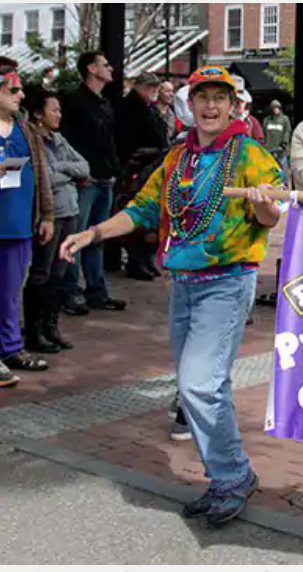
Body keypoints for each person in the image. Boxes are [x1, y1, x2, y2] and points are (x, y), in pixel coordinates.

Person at [60, 65, 283, 527]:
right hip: (183, 285)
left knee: (198, 384)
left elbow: (269, 217)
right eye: (203, 97)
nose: (211, 106)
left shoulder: (250, 155)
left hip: (225, 281)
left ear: (233, 104)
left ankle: (231, 476)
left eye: (220, 98)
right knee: (201, 386)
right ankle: (228, 474)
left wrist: (263, 200)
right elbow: (142, 209)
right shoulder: (177, 158)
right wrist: (93, 233)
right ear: (191, 103)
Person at [22, 86, 90, 356]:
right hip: (51, 214)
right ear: (39, 114)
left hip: (70, 210)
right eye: (54, 110)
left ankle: (51, 327)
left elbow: (84, 167)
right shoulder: (32, 140)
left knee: (60, 274)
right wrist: (67, 173)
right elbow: (42, 177)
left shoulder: (59, 140)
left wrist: (61, 170)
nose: (59, 114)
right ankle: (34, 330)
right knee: (42, 272)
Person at [59, 51, 126, 314]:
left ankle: (97, 291)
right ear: (91, 69)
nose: (110, 68)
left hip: (105, 177)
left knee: (97, 238)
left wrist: (114, 168)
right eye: (105, 65)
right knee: (76, 237)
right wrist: (78, 173)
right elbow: (65, 141)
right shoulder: (74, 102)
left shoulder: (104, 102)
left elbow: (108, 140)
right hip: (85, 180)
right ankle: (71, 291)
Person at [0, 60, 54, 384]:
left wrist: (47, 214)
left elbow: (41, 174)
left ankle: (10, 348)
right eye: (13, 89)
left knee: (10, 292)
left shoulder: (25, 128)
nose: (21, 95)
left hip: (19, 223)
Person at [114, 71, 171, 281]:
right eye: (151, 89)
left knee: (151, 217)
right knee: (140, 215)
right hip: (138, 168)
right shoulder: (131, 108)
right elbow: (126, 139)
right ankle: (136, 259)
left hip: (152, 165)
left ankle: (145, 258)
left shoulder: (147, 108)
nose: (154, 93)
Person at [262, 100, 292, 173]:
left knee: (282, 170)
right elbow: (263, 134)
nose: (275, 110)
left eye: (277, 108)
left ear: (280, 108)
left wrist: (284, 144)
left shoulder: (285, 119)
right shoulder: (266, 120)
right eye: (273, 108)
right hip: (269, 150)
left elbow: (287, 132)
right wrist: (264, 145)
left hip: (282, 150)